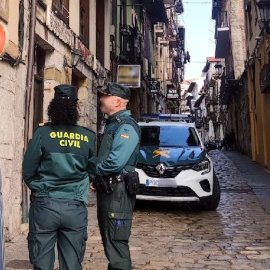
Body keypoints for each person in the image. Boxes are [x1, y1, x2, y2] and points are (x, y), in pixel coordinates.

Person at [23, 84, 96, 270]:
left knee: (42, 263)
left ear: (53, 106)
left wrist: (40, 188)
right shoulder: (87, 137)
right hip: (74, 206)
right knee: (72, 264)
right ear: (75, 107)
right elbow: (93, 170)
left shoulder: (42, 133)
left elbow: (28, 170)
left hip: (45, 206)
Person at [91, 83, 141, 270]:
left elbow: (115, 162)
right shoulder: (113, 124)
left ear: (118, 101)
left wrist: (94, 170)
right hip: (111, 190)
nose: (101, 99)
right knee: (111, 242)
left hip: (117, 194)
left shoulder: (125, 127)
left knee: (116, 244)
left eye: (105, 96)